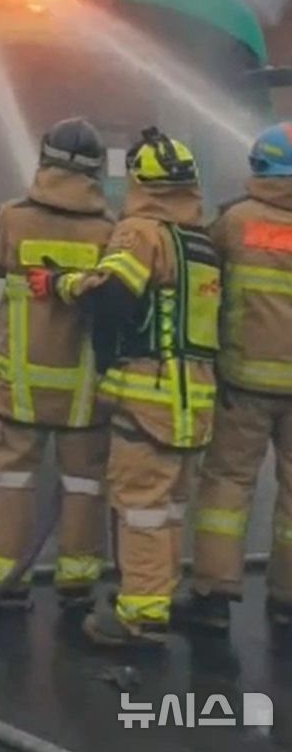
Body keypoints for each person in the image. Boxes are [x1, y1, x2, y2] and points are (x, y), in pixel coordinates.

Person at [29, 127, 220, 647]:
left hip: (149, 395)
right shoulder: (200, 241)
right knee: (168, 507)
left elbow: (114, 294)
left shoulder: (142, 233)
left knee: (139, 506)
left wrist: (64, 284)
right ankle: (156, 592)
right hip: (195, 402)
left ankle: (139, 614)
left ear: (141, 182)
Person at [0, 118, 114, 612]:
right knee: (82, 483)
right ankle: (76, 582)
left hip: (20, 385)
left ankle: (4, 582)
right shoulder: (110, 231)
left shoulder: (12, 218)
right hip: (83, 392)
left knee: (13, 479)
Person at [178, 122, 292, 633]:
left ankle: (213, 596)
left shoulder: (233, 223)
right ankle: (287, 598)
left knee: (226, 486)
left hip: (241, 384)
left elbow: (200, 288)